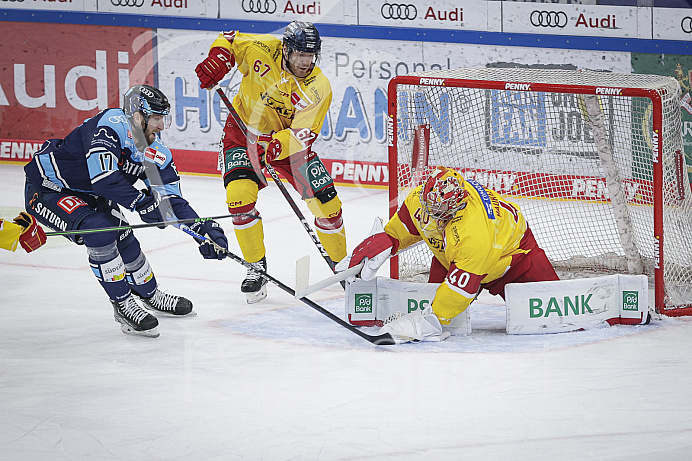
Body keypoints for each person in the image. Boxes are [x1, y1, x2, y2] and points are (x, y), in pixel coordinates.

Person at [23, 84, 229, 338]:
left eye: (163, 118)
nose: (162, 126)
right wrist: (143, 203)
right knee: (100, 231)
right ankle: (122, 303)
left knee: (124, 237)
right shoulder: (110, 125)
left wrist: (202, 229)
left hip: (91, 193)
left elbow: (170, 199)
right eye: (156, 118)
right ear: (137, 116)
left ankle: (150, 294)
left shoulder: (156, 151)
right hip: (50, 189)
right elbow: (104, 178)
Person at [195, 21, 346, 303]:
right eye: (300, 54)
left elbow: (303, 135)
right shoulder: (261, 47)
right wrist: (219, 57)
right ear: (286, 49)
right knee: (239, 197)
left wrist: (271, 147)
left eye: (311, 55)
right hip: (243, 132)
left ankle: (343, 267)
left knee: (327, 204)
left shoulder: (318, 86)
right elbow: (229, 38)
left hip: (286, 145)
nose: (306, 62)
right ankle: (256, 267)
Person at [341, 166, 559, 343]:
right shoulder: (422, 199)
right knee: (436, 304)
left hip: (515, 257)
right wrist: (387, 241)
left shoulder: (474, 233)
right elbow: (403, 230)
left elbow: (460, 290)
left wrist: (427, 321)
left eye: (437, 212)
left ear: (456, 206)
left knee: (558, 316)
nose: (428, 215)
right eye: (427, 206)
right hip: (453, 258)